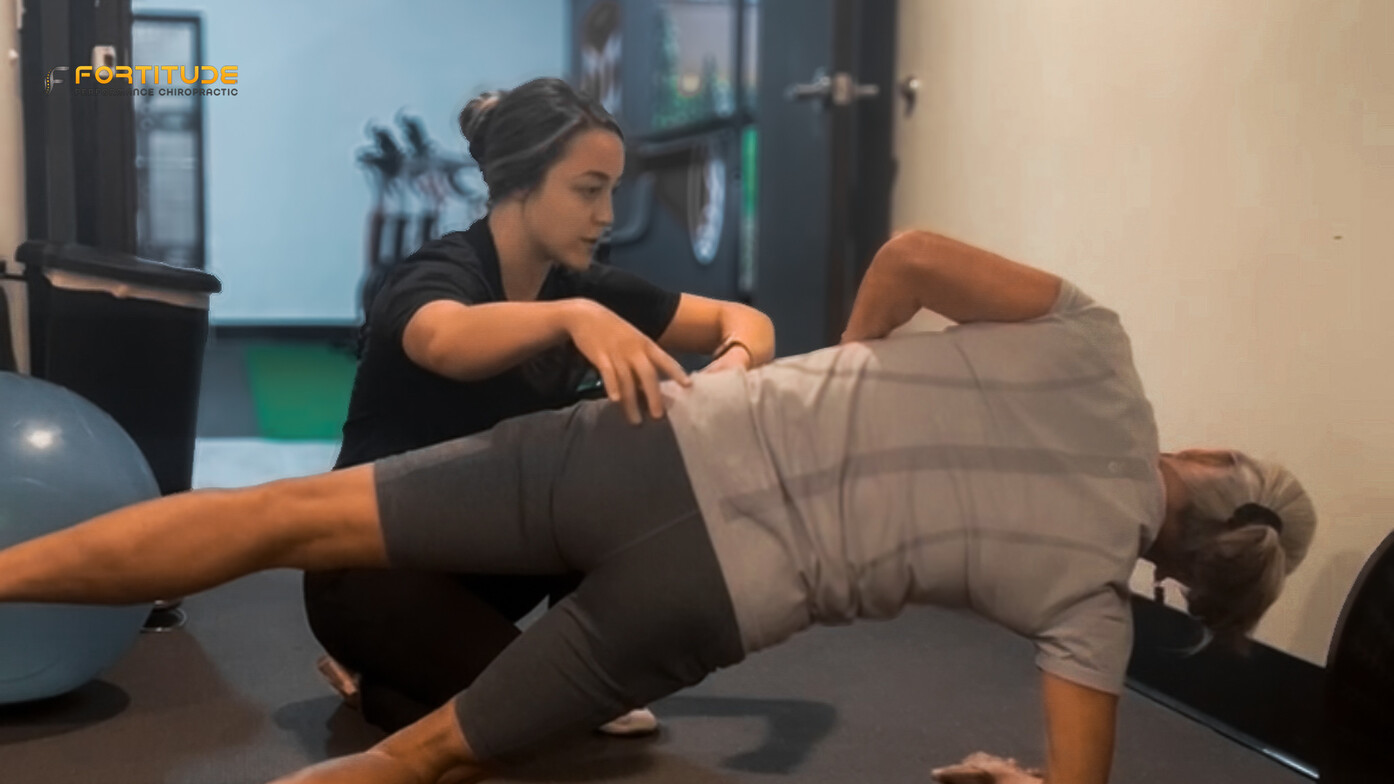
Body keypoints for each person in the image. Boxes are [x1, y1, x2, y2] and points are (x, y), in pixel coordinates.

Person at [0, 229, 1318, 784]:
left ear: (1202, 452)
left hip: (651, 449)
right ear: (1185, 574)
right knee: (418, 766)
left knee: (286, 511)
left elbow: (910, 255)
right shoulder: (1092, 606)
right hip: (708, 602)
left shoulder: (1098, 346)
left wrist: (842, 368)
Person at [307, 77, 776, 736]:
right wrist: (569, 318)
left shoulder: (578, 287)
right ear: (522, 184)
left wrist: (732, 364)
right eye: (588, 191)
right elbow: (442, 339)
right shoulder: (440, 273)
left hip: (486, 556)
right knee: (541, 720)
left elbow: (744, 319)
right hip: (373, 571)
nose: (606, 214)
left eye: (611, 191)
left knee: (613, 450)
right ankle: (385, 676)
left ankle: (431, 677)